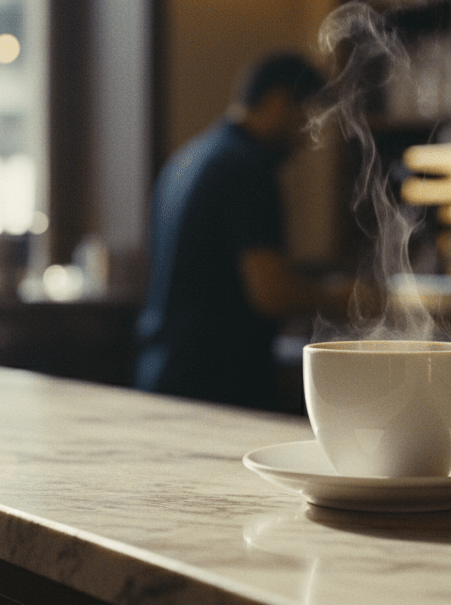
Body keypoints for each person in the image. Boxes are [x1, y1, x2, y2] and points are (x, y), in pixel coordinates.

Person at [135, 53, 349, 410]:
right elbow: (270, 293)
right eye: (309, 116)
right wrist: (345, 298)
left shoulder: (189, 157)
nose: (309, 137)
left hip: (162, 373)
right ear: (279, 101)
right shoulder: (247, 169)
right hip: (215, 387)